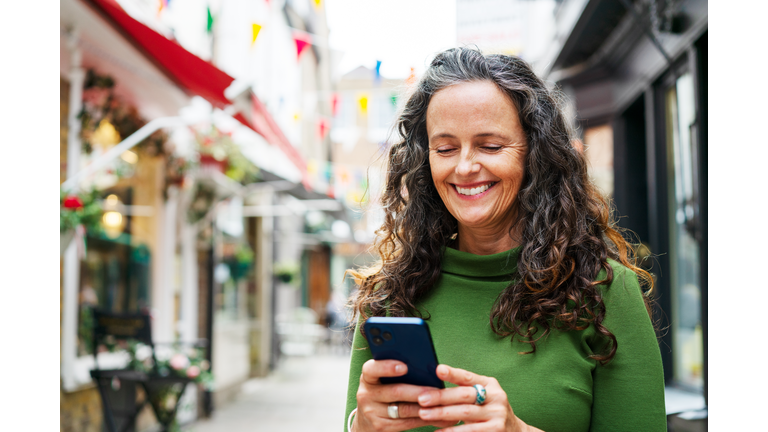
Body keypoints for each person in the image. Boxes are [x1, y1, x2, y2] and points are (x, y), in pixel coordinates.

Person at [343, 47, 666, 432]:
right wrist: (361, 426)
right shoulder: (388, 296)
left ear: (536, 153)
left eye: (491, 146)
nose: (465, 167)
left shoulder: (606, 291)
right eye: (445, 149)